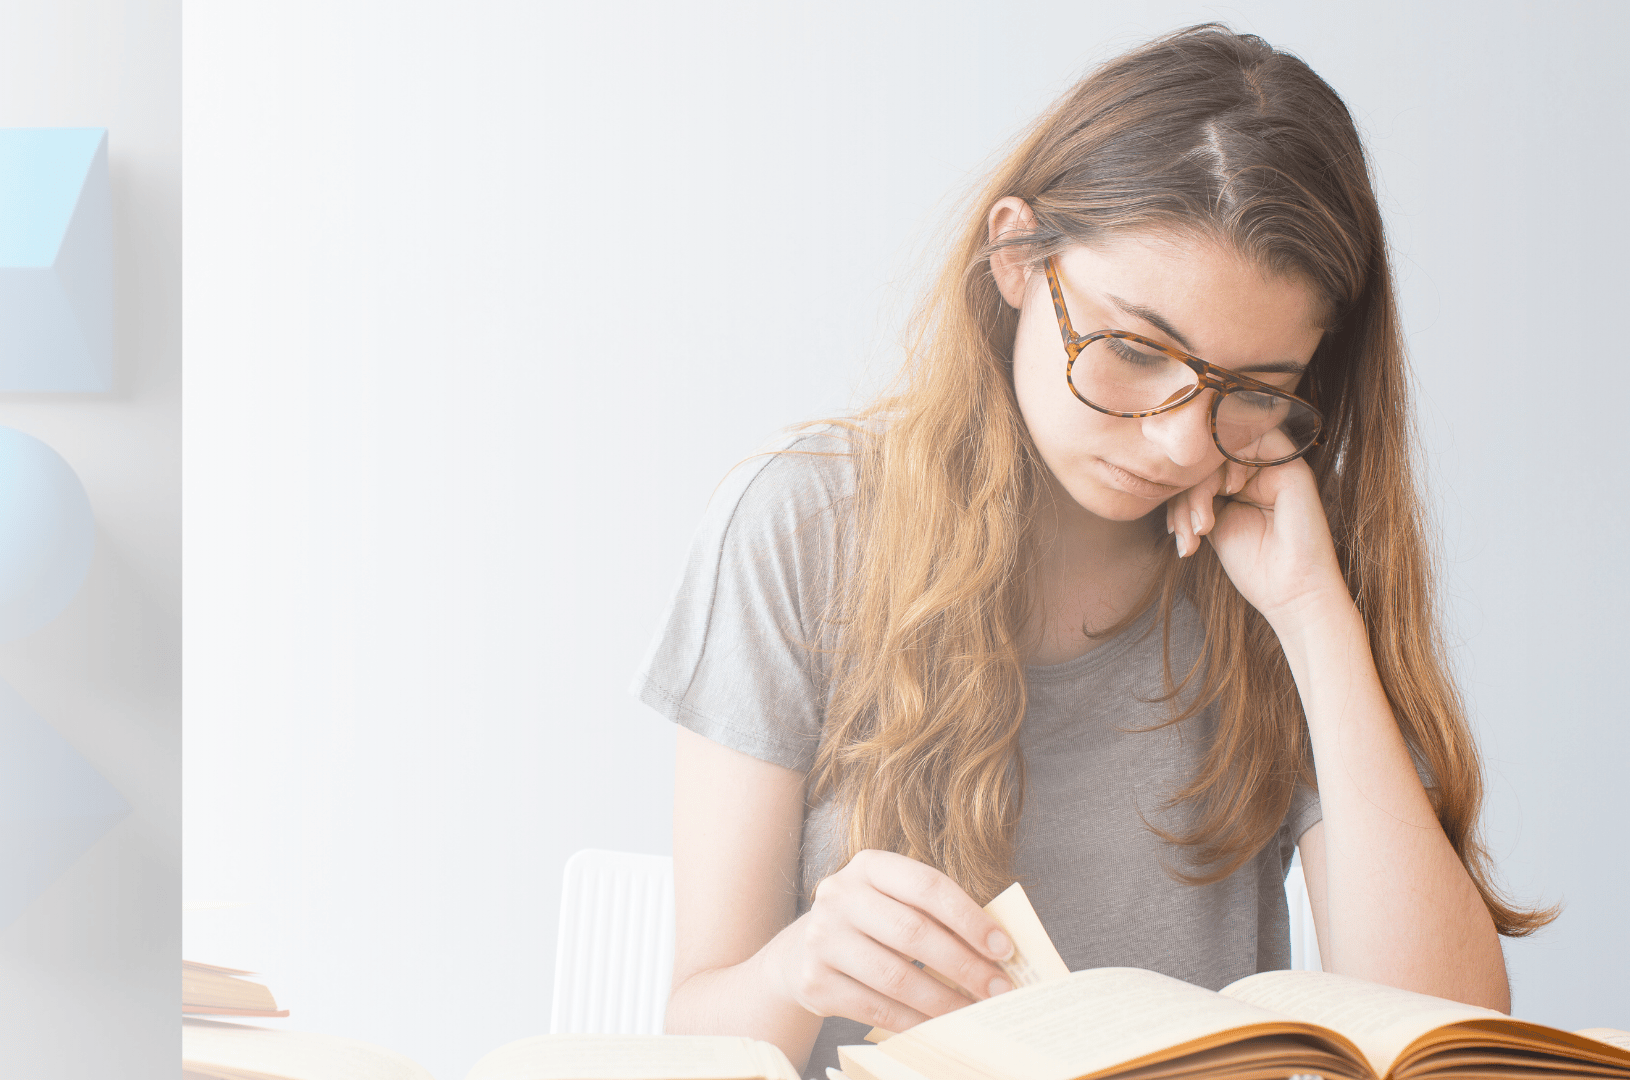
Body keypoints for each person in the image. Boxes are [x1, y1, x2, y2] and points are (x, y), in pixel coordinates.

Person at [629, 23, 1553, 1078]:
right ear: (1017, 255)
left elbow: (1448, 1040)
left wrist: (1310, 614)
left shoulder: (1285, 566)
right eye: (1130, 351)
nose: (1175, 441)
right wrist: (799, 969)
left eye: (1250, 392)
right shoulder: (801, 529)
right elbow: (690, 1035)